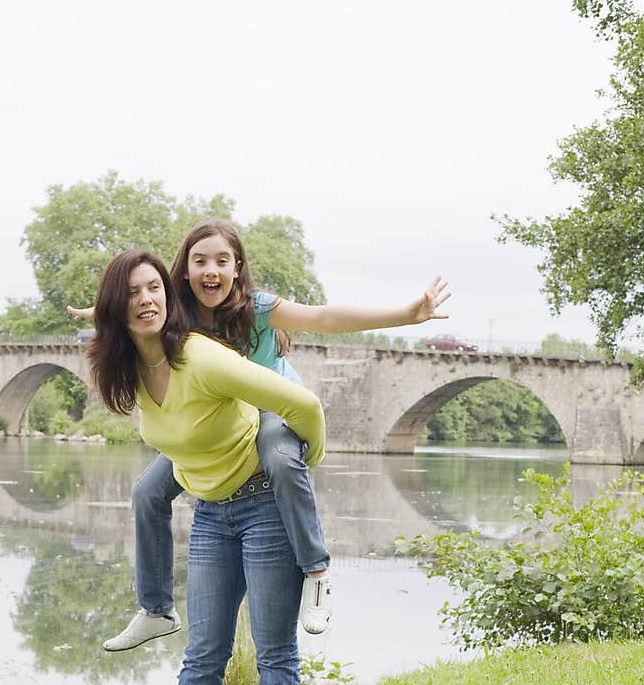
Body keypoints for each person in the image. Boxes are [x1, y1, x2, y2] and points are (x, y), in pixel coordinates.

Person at [69, 219, 450, 651]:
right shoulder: (179, 312)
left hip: (273, 407)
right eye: (200, 261)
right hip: (222, 421)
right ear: (185, 271)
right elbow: (136, 306)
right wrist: (104, 312)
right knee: (146, 493)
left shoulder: (258, 308)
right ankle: (156, 609)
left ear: (237, 268)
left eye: (221, 261)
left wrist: (406, 313)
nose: (210, 270)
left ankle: (317, 571)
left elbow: (324, 317)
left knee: (281, 458)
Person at [87, 249, 326, 685]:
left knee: (274, 654)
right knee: (203, 657)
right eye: (133, 293)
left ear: (168, 298)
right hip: (213, 516)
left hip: (265, 505)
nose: (146, 300)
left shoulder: (201, 355)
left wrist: (304, 459)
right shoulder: (131, 371)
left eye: (153, 289)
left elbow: (303, 402)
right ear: (117, 310)